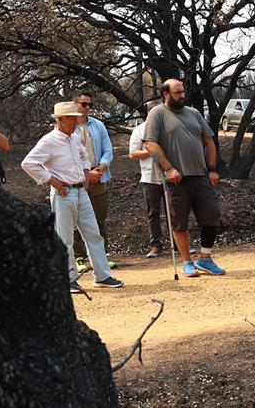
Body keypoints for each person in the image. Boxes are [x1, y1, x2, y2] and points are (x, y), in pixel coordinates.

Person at [21, 101, 123, 291]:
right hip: (64, 193)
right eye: (71, 118)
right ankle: (68, 279)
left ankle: (102, 276)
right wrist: (52, 181)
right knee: (64, 238)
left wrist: (85, 174)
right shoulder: (48, 141)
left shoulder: (74, 137)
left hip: (80, 192)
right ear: (59, 120)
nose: (76, 121)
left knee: (93, 234)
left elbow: (83, 156)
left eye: (76, 118)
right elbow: (28, 164)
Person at [142, 79, 226, 277]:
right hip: (176, 180)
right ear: (166, 94)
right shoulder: (158, 113)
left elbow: (209, 141)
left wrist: (212, 168)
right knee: (180, 223)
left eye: (183, 91)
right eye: (178, 92)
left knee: (211, 216)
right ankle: (187, 261)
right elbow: (150, 144)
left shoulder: (194, 113)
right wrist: (168, 168)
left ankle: (205, 258)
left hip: (200, 175)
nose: (182, 95)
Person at [71, 89, 114, 264]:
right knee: (76, 218)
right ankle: (79, 257)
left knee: (99, 218)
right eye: (84, 104)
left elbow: (108, 150)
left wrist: (100, 170)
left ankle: (101, 257)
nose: (88, 107)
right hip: (77, 179)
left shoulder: (98, 125)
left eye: (90, 104)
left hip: (99, 176)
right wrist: (86, 174)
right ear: (75, 104)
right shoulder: (67, 125)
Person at [129, 101, 165, 258]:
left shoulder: (168, 127)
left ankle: (179, 244)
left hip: (171, 174)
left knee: (176, 211)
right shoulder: (139, 130)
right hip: (150, 176)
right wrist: (151, 152)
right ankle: (156, 245)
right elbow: (132, 153)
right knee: (153, 212)